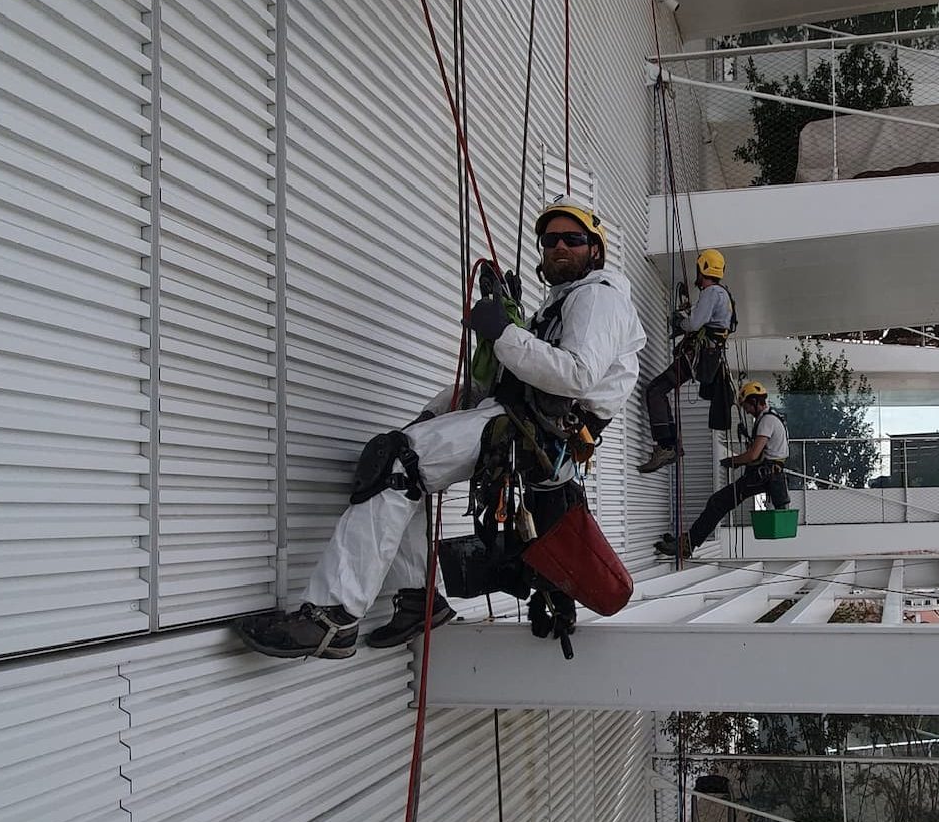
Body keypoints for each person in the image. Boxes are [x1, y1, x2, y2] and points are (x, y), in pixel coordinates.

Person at [237, 196, 646, 659]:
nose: (558, 248)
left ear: (595, 249)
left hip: (535, 434)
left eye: (572, 239)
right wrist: (434, 414)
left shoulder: (598, 296)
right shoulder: (563, 304)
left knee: (400, 464)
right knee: (404, 466)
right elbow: (497, 382)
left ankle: (333, 618)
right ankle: (418, 600)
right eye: (550, 240)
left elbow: (575, 374)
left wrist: (503, 333)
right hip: (521, 426)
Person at [655, 381, 789, 558]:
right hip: (768, 475)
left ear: (755, 401)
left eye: (747, 406)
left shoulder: (766, 421)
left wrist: (733, 461)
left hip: (764, 475)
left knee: (718, 502)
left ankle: (687, 545)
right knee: (719, 502)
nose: (747, 411)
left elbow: (753, 456)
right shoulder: (773, 418)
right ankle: (686, 541)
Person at [637, 249, 735, 473]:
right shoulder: (723, 294)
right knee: (660, 390)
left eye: (699, 269)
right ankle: (671, 445)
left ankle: (666, 445)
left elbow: (694, 324)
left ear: (703, 269)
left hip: (697, 356)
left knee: (655, 390)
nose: (697, 274)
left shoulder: (712, 292)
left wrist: (680, 322)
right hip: (707, 356)